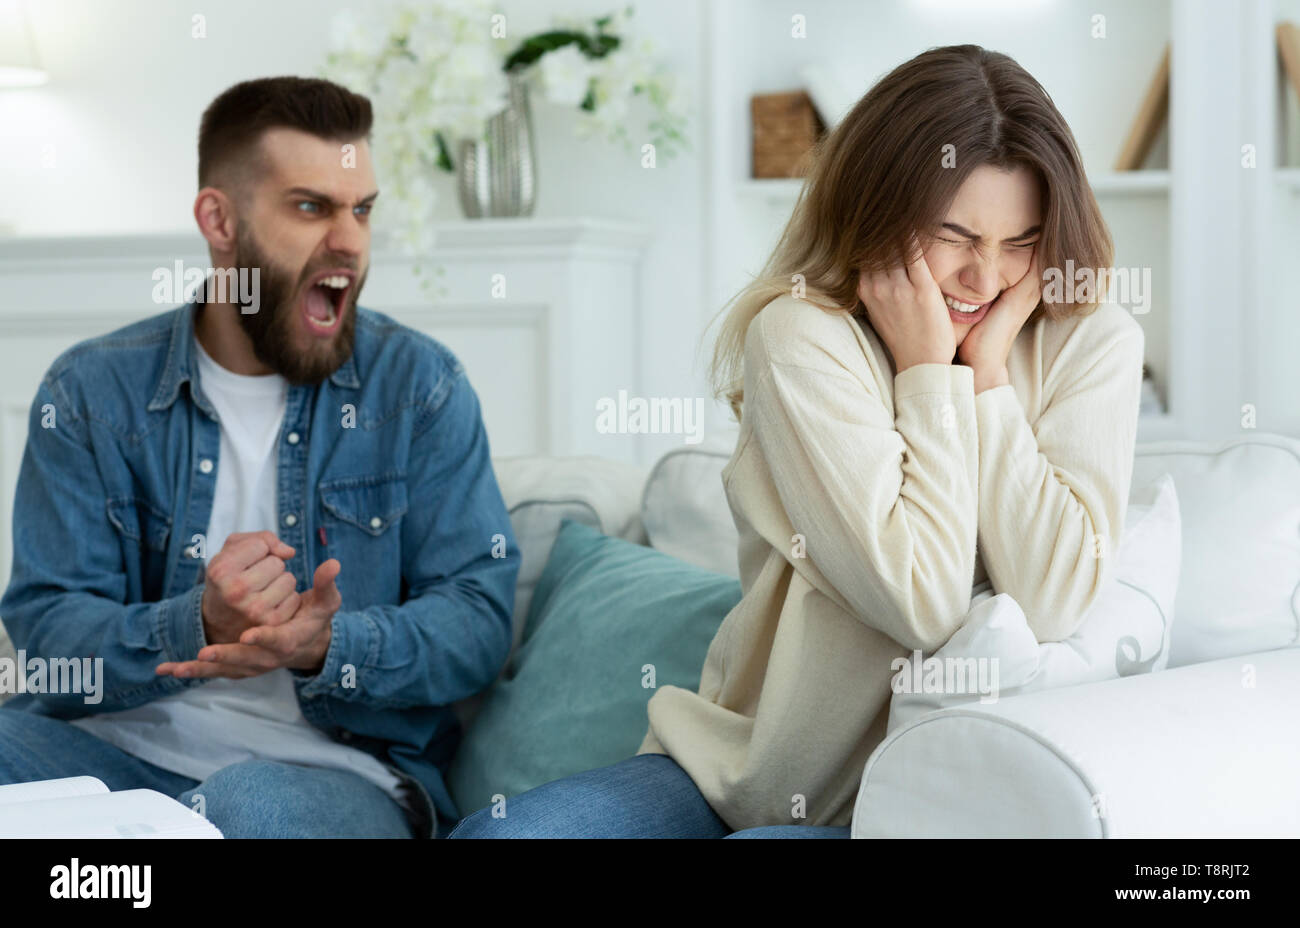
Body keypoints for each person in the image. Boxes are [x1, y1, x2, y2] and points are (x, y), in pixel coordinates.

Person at [450, 44, 1144, 839]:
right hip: (750, 782)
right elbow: (923, 597)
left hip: (937, 809)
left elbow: (1052, 600)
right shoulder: (803, 337)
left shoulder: (1093, 344)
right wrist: (927, 372)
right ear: (878, 214)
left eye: (1019, 242)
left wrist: (981, 379)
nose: (984, 281)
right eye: (954, 235)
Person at [0, 76, 520, 838]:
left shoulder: (420, 387)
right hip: (110, 752)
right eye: (311, 207)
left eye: (362, 209)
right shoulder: (90, 389)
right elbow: (47, 629)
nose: (348, 240)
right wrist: (197, 624)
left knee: (240, 809)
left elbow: (476, 622)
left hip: (330, 774)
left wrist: (327, 646)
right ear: (220, 220)